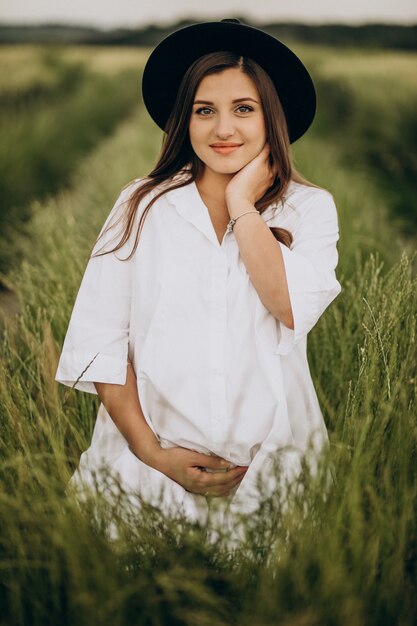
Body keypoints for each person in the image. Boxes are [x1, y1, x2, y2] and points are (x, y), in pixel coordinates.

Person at [55, 18, 342, 542]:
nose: (223, 129)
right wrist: (154, 454)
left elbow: (288, 306)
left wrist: (241, 204)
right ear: (183, 121)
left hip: (272, 467)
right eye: (204, 110)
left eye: (244, 109)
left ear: (270, 117)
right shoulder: (142, 205)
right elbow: (103, 343)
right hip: (146, 465)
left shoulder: (309, 210)